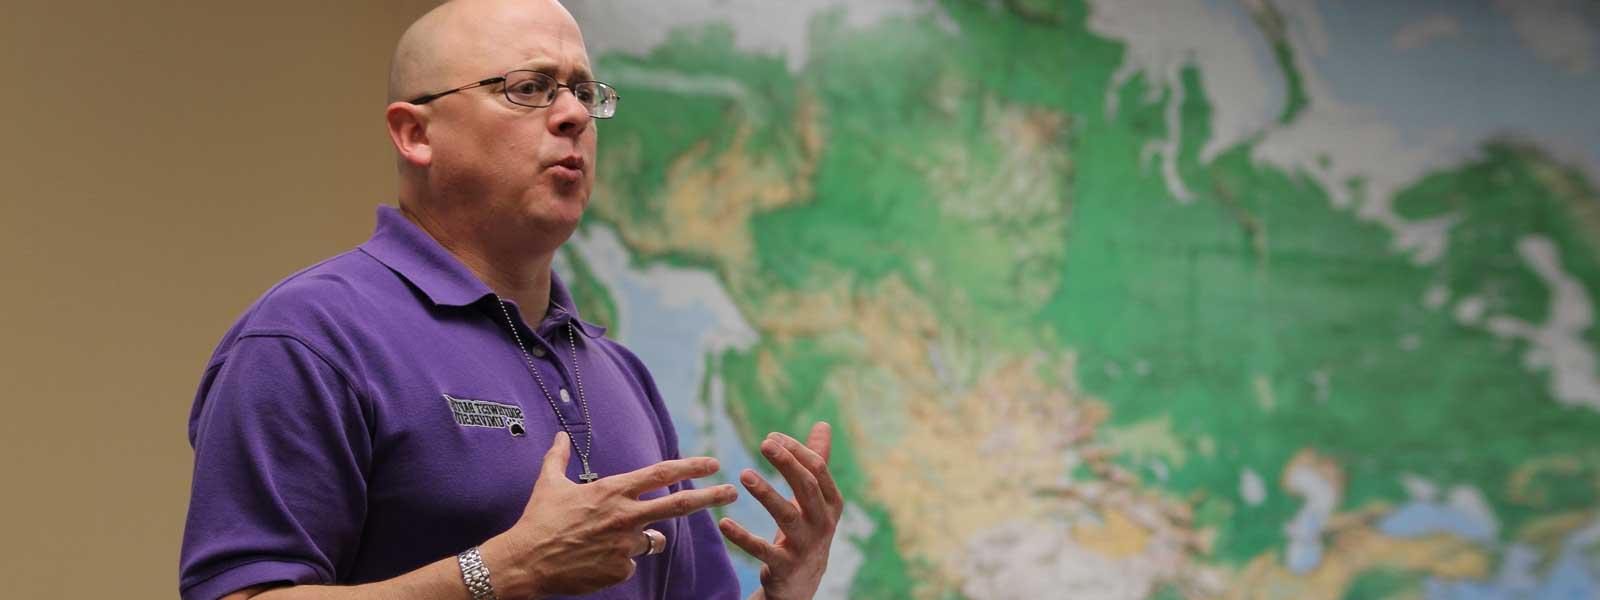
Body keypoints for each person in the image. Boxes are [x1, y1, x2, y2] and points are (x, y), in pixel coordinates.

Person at [177, 1, 844, 598]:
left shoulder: (619, 372)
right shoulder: (311, 337)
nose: (574, 114)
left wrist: (787, 592)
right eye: (529, 88)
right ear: (416, 134)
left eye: (585, 92)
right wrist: (497, 572)